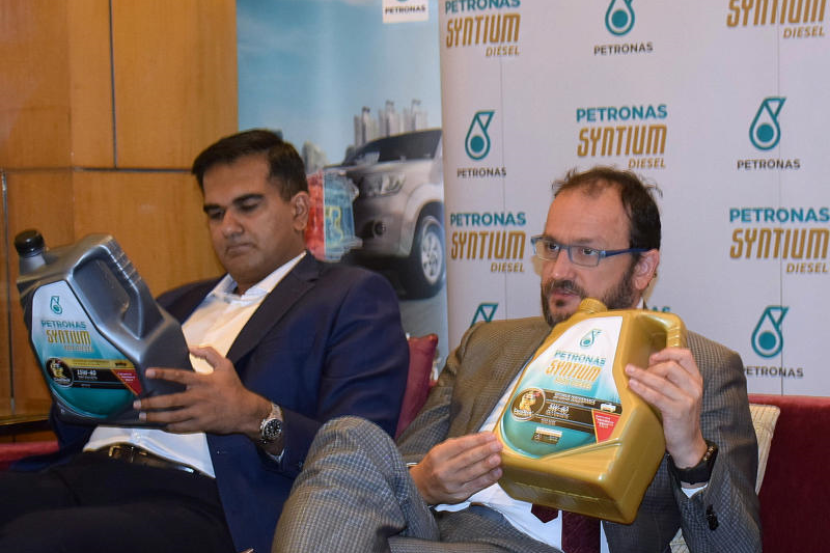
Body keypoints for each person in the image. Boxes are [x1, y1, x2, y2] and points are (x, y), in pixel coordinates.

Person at [273, 167, 761, 553]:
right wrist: (425, 481)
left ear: (643, 268)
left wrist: (690, 453)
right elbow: (394, 471)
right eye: (552, 247)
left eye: (586, 252)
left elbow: (737, 547)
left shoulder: (697, 369)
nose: (559, 271)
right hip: (433, 536)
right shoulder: (488, 341)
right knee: (348, 436)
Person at [0, 129, 410, 553]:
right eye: (215, 213)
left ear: (299, 210)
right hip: (84, 472)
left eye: (248, 206)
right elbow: (77, 427)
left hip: (200, 499)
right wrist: (71, 370)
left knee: (34, 541)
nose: (228, 228)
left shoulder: (351, 296)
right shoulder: (170, 303)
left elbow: (361, 453)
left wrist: (253, 416)